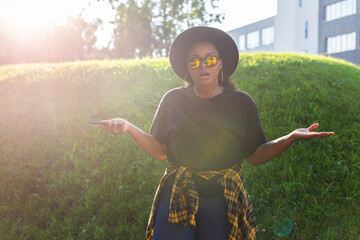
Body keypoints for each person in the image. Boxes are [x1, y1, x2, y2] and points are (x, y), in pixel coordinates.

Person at [95, 26, 334, 240]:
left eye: (210, 59)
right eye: (195, 61)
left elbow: (254, 156)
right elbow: (160, 151)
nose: (203, 66)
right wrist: (128, 127)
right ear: (188, 68)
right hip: (178, 191)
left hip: (223, 196)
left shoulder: (242, 103)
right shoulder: (172, 100)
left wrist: (290, 137)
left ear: (221, 63)